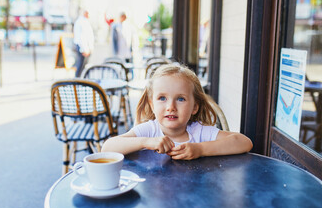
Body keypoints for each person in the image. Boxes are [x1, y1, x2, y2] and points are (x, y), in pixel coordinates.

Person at [102, 64, 253, 160]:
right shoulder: (150, 130)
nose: (170, 107)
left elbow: (244, 142)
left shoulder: (199, 132)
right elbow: (107, 147)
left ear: (195, 107)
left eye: (180, 99)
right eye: (162, 98)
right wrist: (146, 142)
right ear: (152, 105)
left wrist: (200, 149)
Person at [73, 9, 94, 77]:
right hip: (82, 47)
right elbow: (82, 37)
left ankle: (80, 80)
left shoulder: (85, 21)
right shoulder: (81, 22)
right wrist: (84, 49)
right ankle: (77, 81)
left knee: (84, 66)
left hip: (85, 47)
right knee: (80, 66)